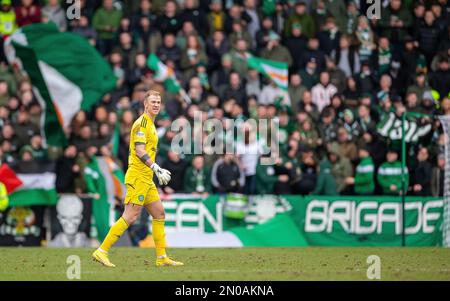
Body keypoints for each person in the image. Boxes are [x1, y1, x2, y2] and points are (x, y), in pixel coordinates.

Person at [92, 90, 183, 268]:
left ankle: (161, 257)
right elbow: (140, 150)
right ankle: (101, 251)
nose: (156, 104)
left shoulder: (151, 124)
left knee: (159, 213)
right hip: (138, 177)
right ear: (145, 104)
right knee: (130, 216)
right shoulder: (141, 124)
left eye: (158, 102)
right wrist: (156, 167)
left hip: (146, 178)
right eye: (153, 102)